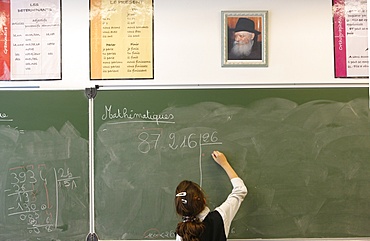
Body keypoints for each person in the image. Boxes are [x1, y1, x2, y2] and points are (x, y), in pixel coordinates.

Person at [174, 150, 247, 241]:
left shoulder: (181, 233)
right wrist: (224, 163)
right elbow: (240, 190)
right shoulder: (219, 218)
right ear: (204, 200)